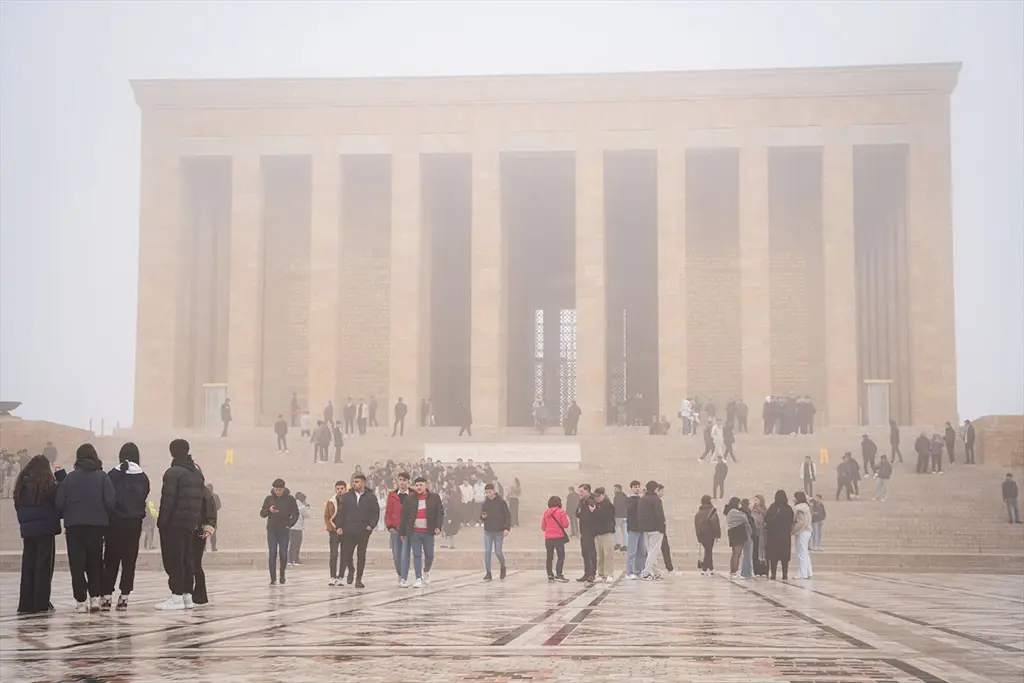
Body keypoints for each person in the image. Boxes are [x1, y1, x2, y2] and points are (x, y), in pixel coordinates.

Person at [56, 444, 116, 612]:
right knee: (95, 562)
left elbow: (59, 502)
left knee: (77, 564)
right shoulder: (102, 477)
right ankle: (95, 598)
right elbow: (111, 501)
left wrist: (68, 513)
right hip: (96, 526)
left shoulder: (69, 478)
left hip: (74, 526)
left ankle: (81, 601)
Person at [101, 443, 150, 611]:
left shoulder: (112, 474)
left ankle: (106, 596)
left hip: (114, 524)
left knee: (110, 559)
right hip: (133, 524)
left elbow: (107, 498)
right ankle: (124, 597)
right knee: (129, 561)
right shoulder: (142, 476)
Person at [15, 454, 61, 614]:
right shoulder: (49, 484)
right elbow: (59, 503)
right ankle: (41, 603)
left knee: (28, 566)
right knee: (43, 567)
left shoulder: (22, 483)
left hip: (28, 531)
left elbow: (17, 504)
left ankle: (25, 603)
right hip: (46, 530)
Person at [398, 476, 444, 587]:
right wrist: (403, 532)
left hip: (428, 531)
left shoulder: (434, 497)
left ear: (425, 485)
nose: (419, 487)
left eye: (421, 485)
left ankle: (426, 571)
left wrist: (438, 526)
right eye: (417, 485)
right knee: (417, 555)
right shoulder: (410, 499)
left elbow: (440, 513)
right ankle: (418, 578)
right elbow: (404, 516)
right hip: (414, 532)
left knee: (430, 555)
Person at [337, 473, 380, 588]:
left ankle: (359, 579)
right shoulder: (347, 497)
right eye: (353, 482)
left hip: (363, 530)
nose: (354, 484)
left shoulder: (370, 496)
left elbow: (375, 513)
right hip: (349, 529)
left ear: (363, 483)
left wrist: (371, 526)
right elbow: (341, 513)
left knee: (361, 555)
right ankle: (351, 569)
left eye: (357, 482)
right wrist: (339, 526)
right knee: (347, 554)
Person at [260, 478, 299, 585]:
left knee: (283, 553)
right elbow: (262, 513)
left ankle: (282, 574)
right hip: (272, 530)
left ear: (284, 489)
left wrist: (290, 524)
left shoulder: (290, 499)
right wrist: (269, 511)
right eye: (276, 490)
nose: (278, 492)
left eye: (280, 490)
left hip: (284, 530)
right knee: (272, 553)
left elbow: (295, 513)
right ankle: (273, 578)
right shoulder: (269, 499)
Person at [190, 482, 218, 607]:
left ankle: (200, 595)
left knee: (195, 563)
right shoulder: (183, 488)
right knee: (185, 562)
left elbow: (212, 511)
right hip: (185, 529)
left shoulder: (205, 492)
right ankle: (185, 593)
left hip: (199, 529)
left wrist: (209, 527)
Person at [385, 472, 412, 585]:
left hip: (407, 530)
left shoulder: (413, 495)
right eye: (400, 480)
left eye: (404, 480)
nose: (402, 482)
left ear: (408, 482)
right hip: (395, 530)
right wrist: (390, 526)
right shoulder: (392, 495)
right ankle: (400, 573)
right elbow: (388, 512)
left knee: (405, 554)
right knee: (396, 555)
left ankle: (404, 577)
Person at [481, 483, 511, 581]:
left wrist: (506, 528)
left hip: (499, 531)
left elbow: (507, 516)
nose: (488, 494)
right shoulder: (485, 503)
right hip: (488, 531)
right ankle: (488, 573)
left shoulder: (501, 502)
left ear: (494, 491)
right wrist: (482, 517)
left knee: (498, 552)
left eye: (490, 492)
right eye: (486, 493)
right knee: (487, 552)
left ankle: (503, 566)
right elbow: (482, 515)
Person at [637, 480, 666, 581]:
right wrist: (662, 528)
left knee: (650, 551)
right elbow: (659, 515)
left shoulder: (642, 499)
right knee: (654, 552)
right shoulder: (656, 500)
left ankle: (656, 572)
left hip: (645, 529)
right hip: (655, 529)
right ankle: (645, 572)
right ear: (655, 489)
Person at [764, 489, 794, 580]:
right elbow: (791, 521)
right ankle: (785, 574)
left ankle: (773, 574)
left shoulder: (773, 507)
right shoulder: (788, 508)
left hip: (773, 535)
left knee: (773, 556)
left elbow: (766, 519)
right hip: (785, 535)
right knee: (784, 557)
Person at [324, 480, 349, 586]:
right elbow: (327, 516)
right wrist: (333, 528)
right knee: (333, 554)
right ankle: (332, 576)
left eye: (342, 489)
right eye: (338, 489)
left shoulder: (350, 501)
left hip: (346, 531)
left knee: (344, 555)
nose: (339, 491)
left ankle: (341, 576)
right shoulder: (331, 501)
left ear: (345, 489)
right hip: (334, 531)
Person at [541, 496, 570, 582]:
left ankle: (550, 574)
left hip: (548, 538)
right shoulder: (561, 512)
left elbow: (543, 527)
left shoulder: (546, 513)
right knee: (561, 556)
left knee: (549, 557)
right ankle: (559, 573)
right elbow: (566, 524)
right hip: (558, 537)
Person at [591, 487, 616, 582]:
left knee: (608, 554)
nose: (597, 498)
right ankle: (601, 574)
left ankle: (609, 574)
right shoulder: (595, 505)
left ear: (603, 495)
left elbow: (605, 517)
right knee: (600, 555)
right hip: (598, 533)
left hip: (606, 532)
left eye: (598, 496)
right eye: (595, 496)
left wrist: (595, 511)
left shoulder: (608, 505)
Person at [624, 480, 647, 579]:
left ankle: (639, 570)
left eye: (638, 486)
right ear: (631, 488)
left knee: (642, 551)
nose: (637, 488)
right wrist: (640, 499)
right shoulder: (629, 500)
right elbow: (631, 510)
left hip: (642, 528)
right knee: (632, 552)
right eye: (635, 486)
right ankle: (630, 572)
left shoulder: (642, 499)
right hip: (633, 528)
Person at [693, 494, 720, 577]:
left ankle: (711, 568)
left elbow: (696, 526)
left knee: (708, 551)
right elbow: (715, 523)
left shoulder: (698, 513)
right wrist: (717, 535)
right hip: (710, 534)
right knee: (708, 551)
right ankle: (704, 569)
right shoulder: (712, 511)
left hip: (701, 535)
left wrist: (698, 537)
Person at [574, 484, 596, 582]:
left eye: (582, 491)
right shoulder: (581, 501)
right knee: (585, 553)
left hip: (591, 530)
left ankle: (592, 573)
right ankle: (586, 573)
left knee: (591, 552)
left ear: (588, 491)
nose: (580, 493)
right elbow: (577, 513)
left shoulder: (592, 500)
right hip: (583, 530)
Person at [724, 497, 749, 580]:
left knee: (735, 553)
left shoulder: (730, 511)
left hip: (733, 532)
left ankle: (733, 571)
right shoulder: (734, 511)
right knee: (737, 554)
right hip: (737, 533)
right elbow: (745, 518)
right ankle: (734, 571)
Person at [792, 491, 813, 579]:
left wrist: (793, 530)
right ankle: (808, 571)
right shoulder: (806, 507)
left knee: (801, 553)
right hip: (807, 531)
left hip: (802, 531)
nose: (793, 499)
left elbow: (800, 522)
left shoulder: (799, 509)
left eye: (794, 497)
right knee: (805, 552)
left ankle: (802, 573)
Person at [288, 492, 311, 565]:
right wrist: (307, 506)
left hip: (291, 527)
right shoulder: (301, 506)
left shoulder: (291, 505)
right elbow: (307, 515)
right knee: (297, 544)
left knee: (292, 544)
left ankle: (290, 560)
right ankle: (296, 559)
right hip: (298, 528)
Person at [750, 494, 768, 576]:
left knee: (764, 551)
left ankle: (764, 570)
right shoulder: (752, 511)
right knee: (756, 552)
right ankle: (756, 570)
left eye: (757, 500)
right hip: (756, 534)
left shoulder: (765, 510)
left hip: (763, 533)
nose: (756, 502)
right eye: (755, 500)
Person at [205, 484, 221, 551]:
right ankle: (205, 548)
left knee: (213, 534)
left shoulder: (215, 496)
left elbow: (219, 505)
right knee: (205, 532)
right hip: (207, 518)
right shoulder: (205, 496)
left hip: (211, 517)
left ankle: (213, 547)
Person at [612, 484, 627, 551]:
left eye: (615, 489)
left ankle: (617, 543)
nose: (614, 490)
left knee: (614, 529)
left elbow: (616, 507)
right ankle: (626, 545)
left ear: (618, 489)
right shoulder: (625, 496)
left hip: (618, 516)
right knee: (624, 531)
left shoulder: (616, 497)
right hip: (625, 516)